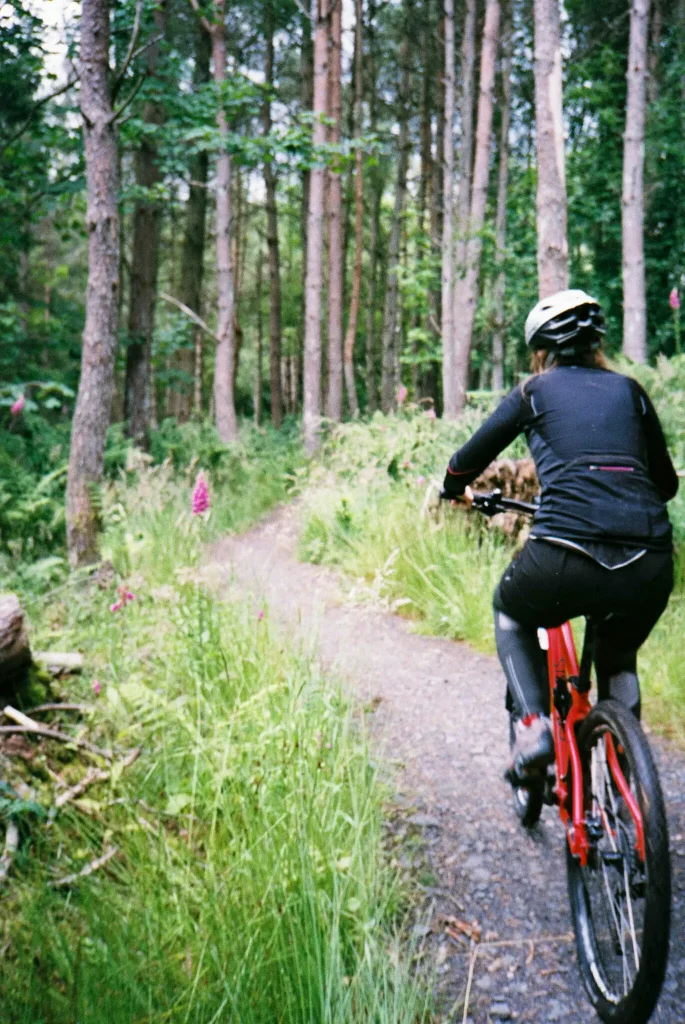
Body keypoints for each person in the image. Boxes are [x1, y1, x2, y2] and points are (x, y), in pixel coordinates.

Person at [441, 289, 679, 778]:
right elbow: (667, 484)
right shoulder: (631, 391)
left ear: (541, 351)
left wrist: (454, 489)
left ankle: (532, 727)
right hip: (650, 560)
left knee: (510, 611)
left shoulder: (534, 392)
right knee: (619, 658)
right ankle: (625, 772)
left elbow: (463, 464)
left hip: (563, 552)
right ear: (597, 346)